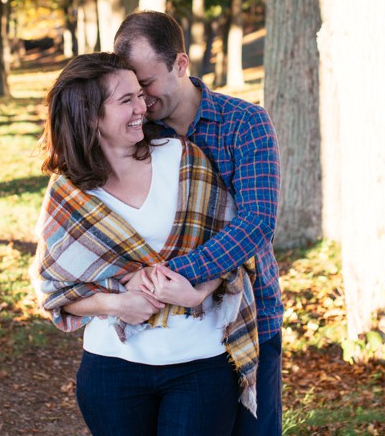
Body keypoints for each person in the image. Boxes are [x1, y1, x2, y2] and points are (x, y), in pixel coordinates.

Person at [30, 53, 260, 436]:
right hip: (112, 370)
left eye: (140, 94)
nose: (143, 107)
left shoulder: (184, 160)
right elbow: (54, 289)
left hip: (200, 364)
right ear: (90, 116)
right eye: (126, 101)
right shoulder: (69, 192)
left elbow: (229, 248)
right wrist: (117, 302)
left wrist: (198, 289)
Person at [114, 10, 283, 436]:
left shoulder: (244, 123)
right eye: (131, 90)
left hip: (245, 314)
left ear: (181, 64)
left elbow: (257, 221)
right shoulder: (136, 135)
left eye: (148, 84)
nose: (142, 101)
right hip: (164, 337)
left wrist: (177, 277)